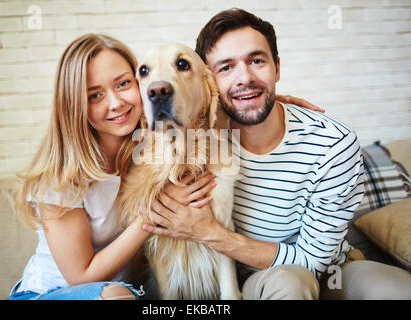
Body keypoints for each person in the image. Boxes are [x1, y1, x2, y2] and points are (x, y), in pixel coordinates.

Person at [8, 32, 313, 300]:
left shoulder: (140, 150)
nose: (115, 103)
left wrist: (272, 104)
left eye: (124, 83)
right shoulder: (61, 178)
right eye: (95, 95)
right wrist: (156, 215)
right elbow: (82, 278)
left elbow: (203, 104)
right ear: (74, 104)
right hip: (51, 293)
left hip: (130, 292)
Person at [142, 8, 411, 300]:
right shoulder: (201, 137)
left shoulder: (333, 143)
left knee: (394, 290)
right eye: (226, 68)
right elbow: (123, 121)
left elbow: (313, 261)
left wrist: (209, 233)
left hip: (332, 273)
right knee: (288, 283)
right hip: (259, 282)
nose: (244, 78)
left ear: (277, 68)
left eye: (257, 61)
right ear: (210, 84)